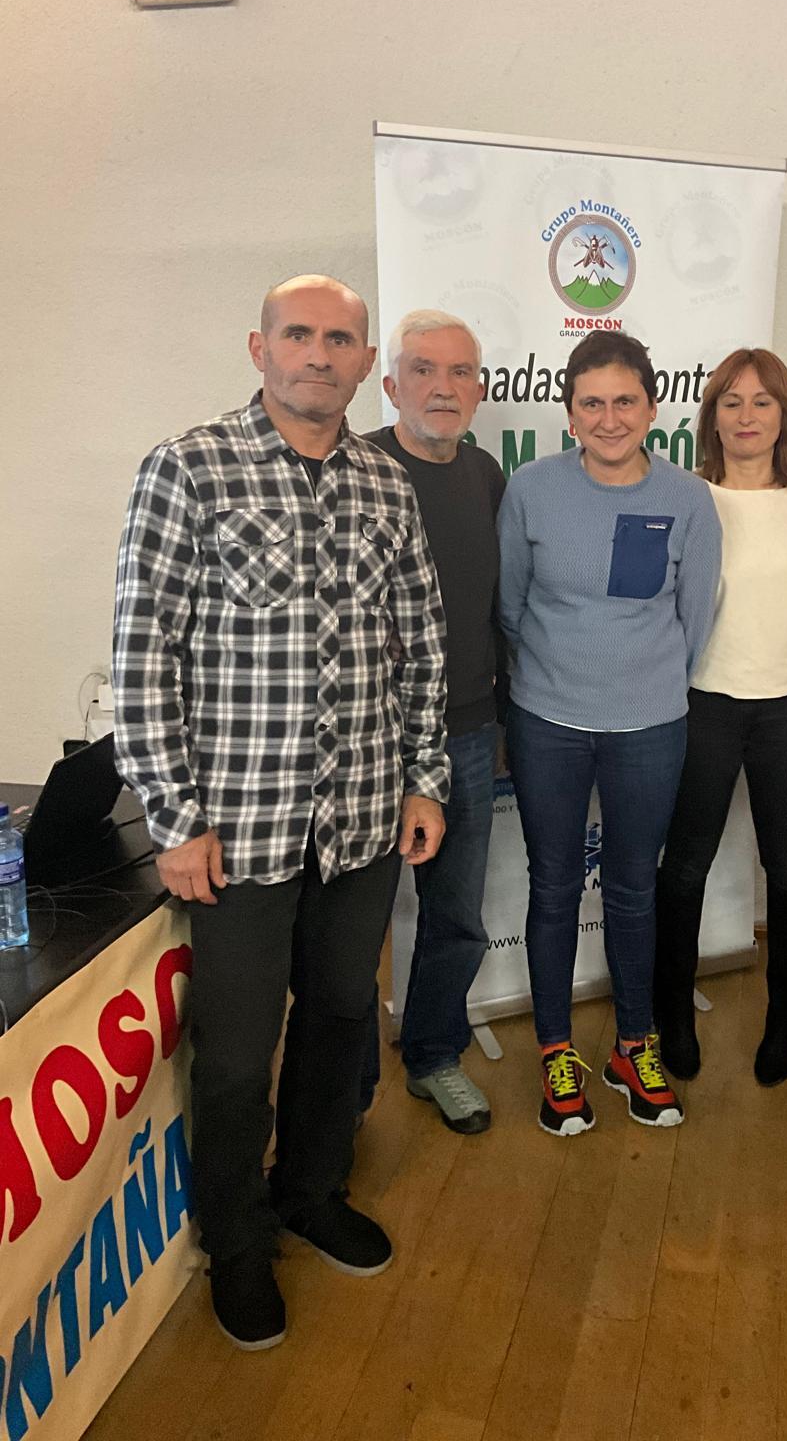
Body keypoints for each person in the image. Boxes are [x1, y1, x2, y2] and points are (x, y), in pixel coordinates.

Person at [112, 275, 451, 1352]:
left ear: (364, 365)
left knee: (342, 1016)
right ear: (258, 347)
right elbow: (142, 651)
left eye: (339, 338)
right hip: (238, 831)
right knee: (234, 1053)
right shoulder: (187, 467)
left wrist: (425, 776)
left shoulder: (386, 486)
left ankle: (311, 1189)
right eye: (298, 334)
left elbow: (425, 642)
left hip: (359, 820)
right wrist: (173, 815)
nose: (318, 352)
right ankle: (238, 1240)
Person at [498, 329, 721, 1135]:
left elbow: (696, 615)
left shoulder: (689, 497)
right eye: (591, 402)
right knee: (554, 888)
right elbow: (511, 605)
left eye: (625, 400)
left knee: (633, 889)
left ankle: (634, 1044)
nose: (609, 416)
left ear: (652, 408)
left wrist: (642, 680)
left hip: (649, 724)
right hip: (548, 721)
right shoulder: (531, 489)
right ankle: (557, 1050)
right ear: (568, 414)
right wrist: (558, 678)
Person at [654, 349, 787, 1089]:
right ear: (711, 417)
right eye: (731, 402)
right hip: (703, 704)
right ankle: (670, 1016)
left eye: (763, 402)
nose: (747, 416)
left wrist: (781, 658)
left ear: (785, 415)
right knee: (685, 867)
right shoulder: (687, 496)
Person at [359, 309, 505, 1135]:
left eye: (459, 373)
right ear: (390, 383)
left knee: (454, 913)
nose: (442, 388)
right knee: (354, 924)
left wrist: (503, 723)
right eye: (422, 370)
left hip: (467, 735)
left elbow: (500, 610)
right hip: (366, 744)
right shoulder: (357, 468)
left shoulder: (486, 476)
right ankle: (339, 1092)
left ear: (479, 389)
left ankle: (433, 1055)